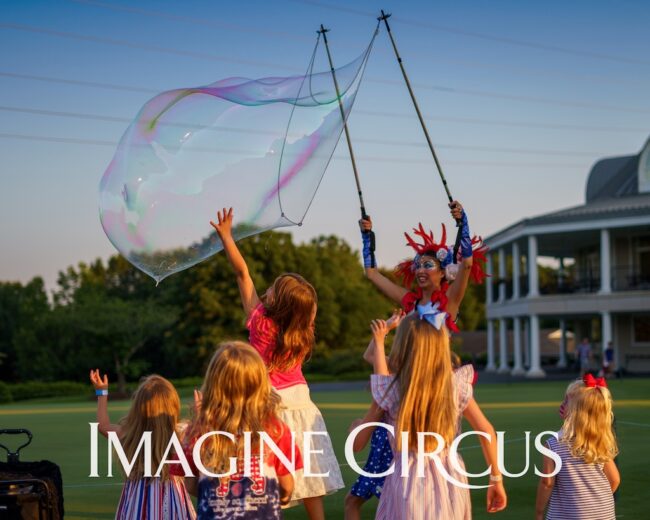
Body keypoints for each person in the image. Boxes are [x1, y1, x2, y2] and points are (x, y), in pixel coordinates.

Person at [210, 208, 344, 520]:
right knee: (311, 476)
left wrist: (227, 238)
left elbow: (242, 274)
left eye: (272, 287)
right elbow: (306, 307)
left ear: (277, 300)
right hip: (302, 404)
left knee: (264, 472)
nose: (266, 288)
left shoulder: (260, 321)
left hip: (267, 404)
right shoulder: (302, 333)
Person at [369, 312, 507, 519]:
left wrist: (380, 340)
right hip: (451, 476)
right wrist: (496, 478)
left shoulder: (395, 389)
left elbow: (377, 367)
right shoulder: (455, 386)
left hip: (407, 477)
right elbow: (486, 431)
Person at [180, 341, 302, 519]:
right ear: (259, 383)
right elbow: (286, 485)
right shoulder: (275, 429)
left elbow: (191, 485)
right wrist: (282, 497)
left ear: (214, 383)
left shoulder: (198, 431)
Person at [359, 201, 487, 330]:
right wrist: (367, 237)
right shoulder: (411, 302)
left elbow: (467, 264)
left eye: (427, 265)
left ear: (443, 272)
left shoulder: (450, 299)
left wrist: (463, 223)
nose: (420, 270)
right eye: (418, 266)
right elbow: (372, 274)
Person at [89, 370, 197, 520]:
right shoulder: (181, 433)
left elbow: (103, 426)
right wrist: (200, 413)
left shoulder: (130, 434)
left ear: (137, 408)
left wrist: (102, 392)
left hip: (136, 506)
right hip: (174, 505)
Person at [535, 375, 620, 520]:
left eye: (567, 400)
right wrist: (593, 505)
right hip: (605, 514)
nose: (562, 403)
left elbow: (547, 483)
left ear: (577, 410)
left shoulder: (553, 444)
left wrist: (539, 512)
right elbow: (614, 480)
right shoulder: (600, 442)